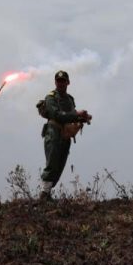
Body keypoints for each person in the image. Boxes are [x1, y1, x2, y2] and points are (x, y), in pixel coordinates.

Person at [39, 70, 92, 200]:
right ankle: (44, 194)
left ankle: (48, 193)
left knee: (60, 165)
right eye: (58, 81)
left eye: (63, 81)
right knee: (52, 163)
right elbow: (57, 115)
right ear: (55, 82)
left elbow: (71, 116)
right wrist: (77, 114)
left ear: (68, 82)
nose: (61, 84)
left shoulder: (70, 99)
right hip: (53, 133)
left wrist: (83, 118)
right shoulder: (50, 97)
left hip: (65, 136)